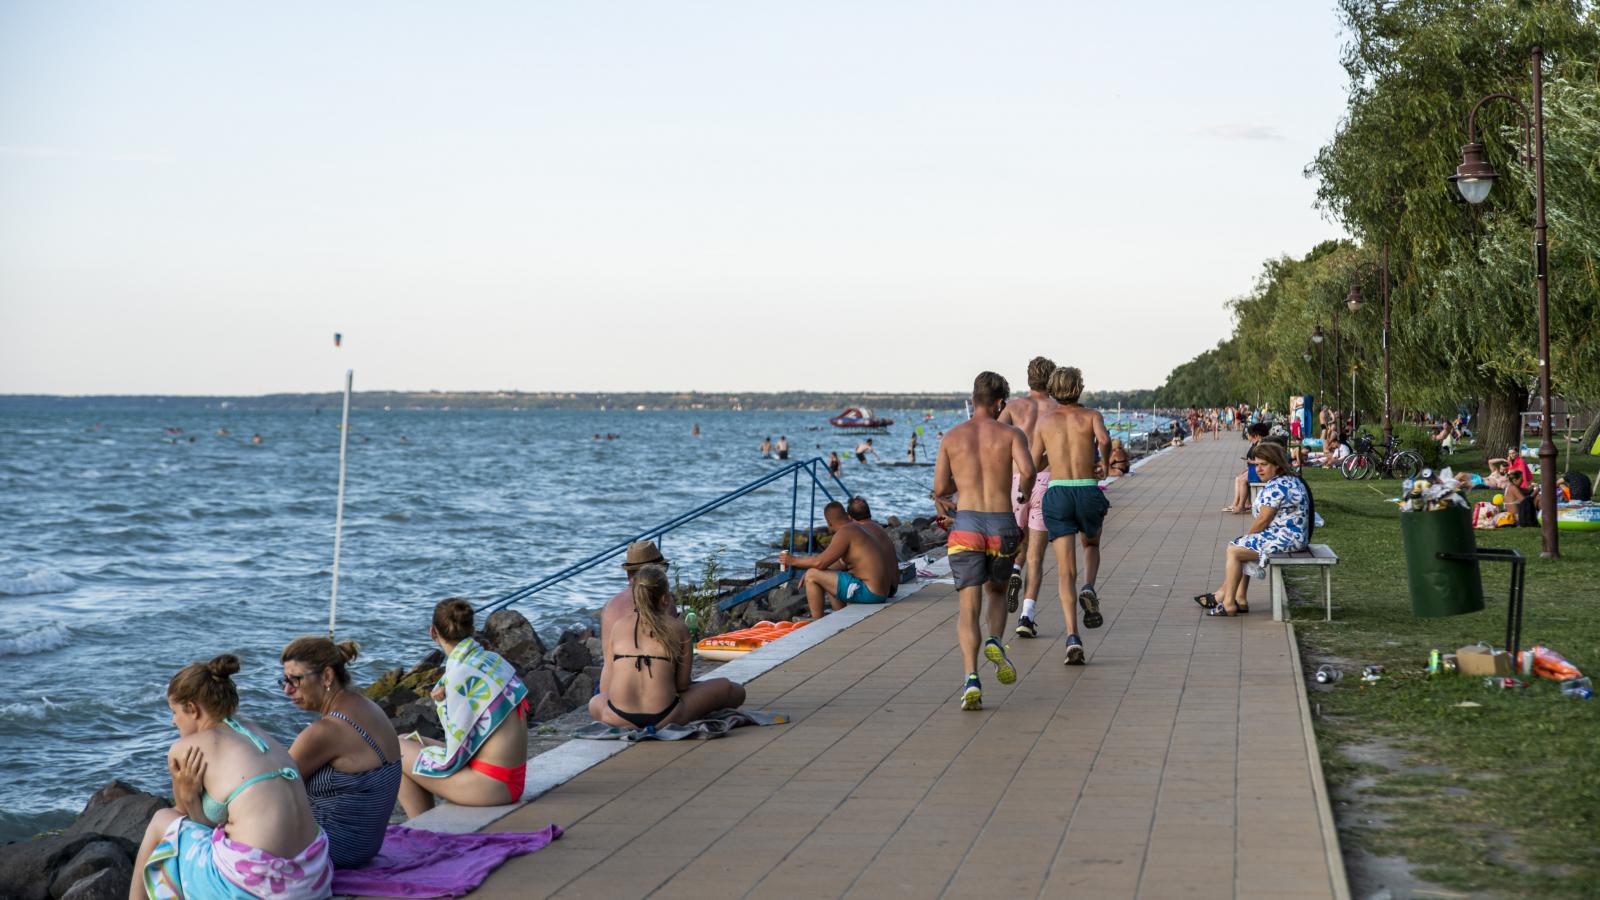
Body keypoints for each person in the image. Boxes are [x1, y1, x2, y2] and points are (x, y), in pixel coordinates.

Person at [134, 655, 332, 899]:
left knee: (161, 819)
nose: (173, 721)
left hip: (259, 888)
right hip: (312, 878)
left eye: (174, 712)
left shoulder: (186, 749)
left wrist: (187, 796)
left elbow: (188, 822)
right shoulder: (256, 732)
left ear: (193, 709)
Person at [933, 371, 1034, 710]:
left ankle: (970, 678)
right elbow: (1029, 471)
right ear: (1000, 402)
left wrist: (949, 500)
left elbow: (941, 488)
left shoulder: (951, 437)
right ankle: (995, 641)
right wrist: (1023, 492)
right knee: (997, 592)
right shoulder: (1011, 434)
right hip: (1002, 525)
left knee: (967, 608)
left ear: (974, 399)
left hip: (966, 526)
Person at [398, 599, 530, 818]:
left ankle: (424, 829)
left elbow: (454, 756)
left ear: (433, 632)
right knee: (407, 739)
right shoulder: (491, 660)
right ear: (472, 628)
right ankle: (425, 824)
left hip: (492, 787)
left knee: (395, 751)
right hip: (510, 779)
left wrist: (443, 703)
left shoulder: (459, 676)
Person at [280, 637, 402, 869]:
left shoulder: (325, 732)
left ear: (327, 676)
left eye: (295, 680)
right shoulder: (367, 706)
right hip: (365, 845)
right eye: (285, 681)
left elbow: (274, 790)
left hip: (333, 850)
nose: (287, 690)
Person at [589, 564, 746, 730]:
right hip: (665, 716)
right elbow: (682, 686)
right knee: (732, 689)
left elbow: (611, 677)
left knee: (595, 702)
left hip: (618, 716)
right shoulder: (678, 628)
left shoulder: (618, 627)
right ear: (665, 598)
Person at [1033, 367, 1112, 665]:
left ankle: (1072, 637)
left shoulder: (1045, 421)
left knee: (1066, 572)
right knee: (1091, 545)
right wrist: (1103, 463)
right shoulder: (1091, 415)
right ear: (1079, 387)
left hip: (1059, 493)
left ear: (1053, 390)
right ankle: (1090, 587)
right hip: (1087, 489)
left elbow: (1035, 461)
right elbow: (1104, 440)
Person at [1195, 442, 1310, 616]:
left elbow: (1263, 519)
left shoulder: (1276, 486)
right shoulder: (1290, 480)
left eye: (1264, 465)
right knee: (1244, 545)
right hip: (1292, 535)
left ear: (1277, 465)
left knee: (1236, 550)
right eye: (1256, 465)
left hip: (1289, 538)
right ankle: (1239, 598)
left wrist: (1247, 538)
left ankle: (1227, 603)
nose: (1258, 469)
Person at [997, 356, 1058, 639]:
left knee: (1016, 540)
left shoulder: (1013, 407)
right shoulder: (1057, 409)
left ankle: (1013, 570)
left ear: (1028, 378)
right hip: (1045, 481)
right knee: (1037, 554)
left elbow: (993, 438)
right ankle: (1026, 616)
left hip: (1015, 481)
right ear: (1052, 379)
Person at [780, 498, 899, 618]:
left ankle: (817, 623)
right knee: (829, 576)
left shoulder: (844, 532)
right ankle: (841, 616)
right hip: (882, 591)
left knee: (811, 575)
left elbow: (820, 562)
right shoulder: (857, 528)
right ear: (847, 516)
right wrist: (820, 570)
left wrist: (793, 560)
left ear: (829, 523)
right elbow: (835, 563)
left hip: (871, 593)